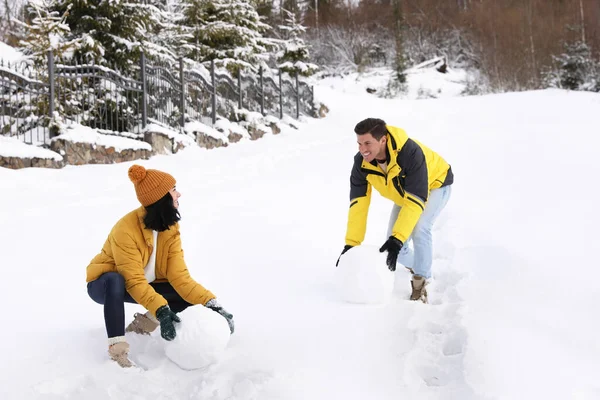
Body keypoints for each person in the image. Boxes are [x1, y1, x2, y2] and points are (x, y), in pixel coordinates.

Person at [86, 164, 234, 368]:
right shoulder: (125, 230)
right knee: (115, 280)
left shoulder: (170, 227)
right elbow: (133, 280)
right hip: (105, 285)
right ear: (160, 198)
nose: (179, 194)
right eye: (173, 190)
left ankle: (144, 324)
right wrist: (161, 310)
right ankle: (117, 350)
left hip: (142, 283)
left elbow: (180, 278)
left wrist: (211, 303)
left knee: (187, 299)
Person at [337, 118, 453, 303]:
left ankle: (421, 282)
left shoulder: (410, 153)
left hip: (435, 185)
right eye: (359, 143)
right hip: (406, 193)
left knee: (419, 229)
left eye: (367, 143)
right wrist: (351, 244)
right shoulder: (362, 164)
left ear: (382, 140)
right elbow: (358, 204)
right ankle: (420, 265)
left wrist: (397, 238)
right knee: (395, 247)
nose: (362, 149)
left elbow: (415, 201)